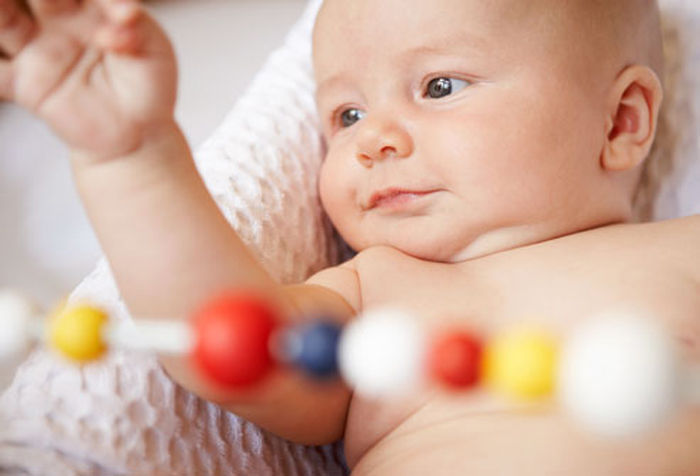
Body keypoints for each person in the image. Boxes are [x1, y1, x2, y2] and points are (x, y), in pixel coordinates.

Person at [1, 0, 699, 473]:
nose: (372, 141)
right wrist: (134, 156)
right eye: (347, 112)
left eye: (439, 86)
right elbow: (225, 336)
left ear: (620, 123)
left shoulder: (679, 254)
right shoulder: (374, 296)